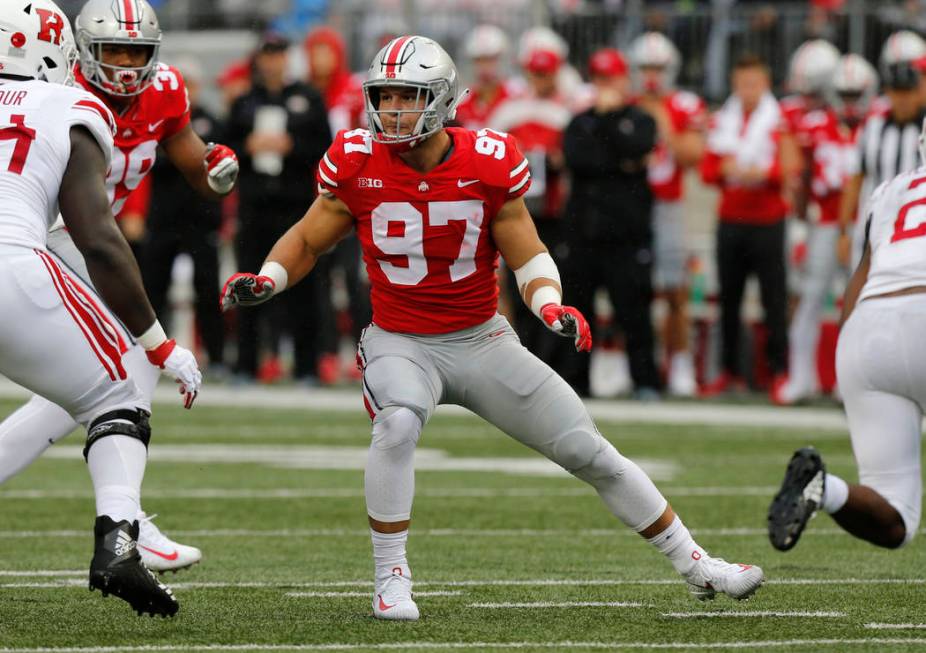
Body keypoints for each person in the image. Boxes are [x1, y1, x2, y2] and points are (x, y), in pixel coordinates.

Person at [221, 34, 764, 623]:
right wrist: (270, 278)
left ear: (442, 100)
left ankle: (697, 563)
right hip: (400, 341)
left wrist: (550, 304)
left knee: (589, 449)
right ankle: (391, 577)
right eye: (384, 97)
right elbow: (306, 238)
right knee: (398, 422)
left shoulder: (488, 158)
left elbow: (526, 252)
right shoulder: (356, 159)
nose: (392, 110)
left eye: (407, 96)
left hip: (480, 338)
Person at [0, 0, 239, 573]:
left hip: (88, 239)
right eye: (114, 52)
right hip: (59, 237)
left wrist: (214, 166)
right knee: (126, 368)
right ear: (77, 52)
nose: (127, 67)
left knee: (102, 382)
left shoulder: (165, 92)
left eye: (138, 53)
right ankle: (127, 524)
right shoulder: (62, 90)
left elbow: (192, 162)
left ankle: (127, 519)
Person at [768, 117, 926, 552]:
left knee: (896, 519)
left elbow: (857, 285)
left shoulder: (890, 191)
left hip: (869, 332)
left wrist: (851, 367)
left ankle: (825, 488)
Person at [224, 31, 331, 384]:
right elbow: (226, 149)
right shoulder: (244, 101)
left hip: (296, 208)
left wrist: (292, 145)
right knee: (249, 284)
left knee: (303, 286)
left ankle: (306, 367)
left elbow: (324, 146)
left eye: (279, 54)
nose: (273, 61)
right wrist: (248, 145)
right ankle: (246, 365)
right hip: (255, 206)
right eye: (268, 54)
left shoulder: (308, 97)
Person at [560, 48, 662, 399]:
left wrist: (610, 123)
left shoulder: (641, 119)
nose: (605, 86)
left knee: (634, 311)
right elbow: (579, 160)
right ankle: (575, 383)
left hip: (627, 236)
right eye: (600, 79)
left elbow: (637, 146)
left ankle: (645, 381)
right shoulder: (579, 122)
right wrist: (618, 158)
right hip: (584, 234)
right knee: (577, 313)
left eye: (611, 78)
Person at [700, 54, 800, 397]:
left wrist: (751, 173)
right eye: (742, 84)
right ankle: (730, 371)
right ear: (734, 84)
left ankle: (778, 373)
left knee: (774, 299)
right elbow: (709, 171)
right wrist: (744, 172)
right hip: (731, 218)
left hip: (768, 219)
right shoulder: (724, 120)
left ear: (766, 84)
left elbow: (787, 169)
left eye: (754, 83)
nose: (747, 90)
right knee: (729, 298)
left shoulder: (779, 120)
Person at [629, 32, 707, 397]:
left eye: (658, 67)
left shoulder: (681, 105)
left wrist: (660, 118)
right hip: (632, 205)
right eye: (646, 67)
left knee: (674, 289)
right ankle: (629, 362)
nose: (652, 75)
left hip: (670, 204)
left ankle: (679, 362)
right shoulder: (627, 104)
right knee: (630, 288)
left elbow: (692, 155)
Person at [140, 58, 226, 373]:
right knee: (152, 289)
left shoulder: (209, 120)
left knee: (208, 289)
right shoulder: (157, 121)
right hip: (164, 218)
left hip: (200, 218)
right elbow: (153, 162)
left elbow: (217, 168)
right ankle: (147, 355)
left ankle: (216, 357)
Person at [770, 40, 843, 405]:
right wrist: (799, 217)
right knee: (808, 296)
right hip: (821, 222)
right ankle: (802, 376)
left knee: (854, 301)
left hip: (859, 222)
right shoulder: (803, 119)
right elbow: (795, 173)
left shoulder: (873, 119)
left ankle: (846, 380)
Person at [837, 33, 926, 271]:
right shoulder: (872, 127)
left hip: (916, 231)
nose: (903, 99)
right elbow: (856, 179)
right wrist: (843, 230)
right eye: (897, 92)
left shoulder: (924, 129)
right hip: (873, 227)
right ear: (888, 92)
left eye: (908, 91)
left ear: (919, 91)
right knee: (862, 294)